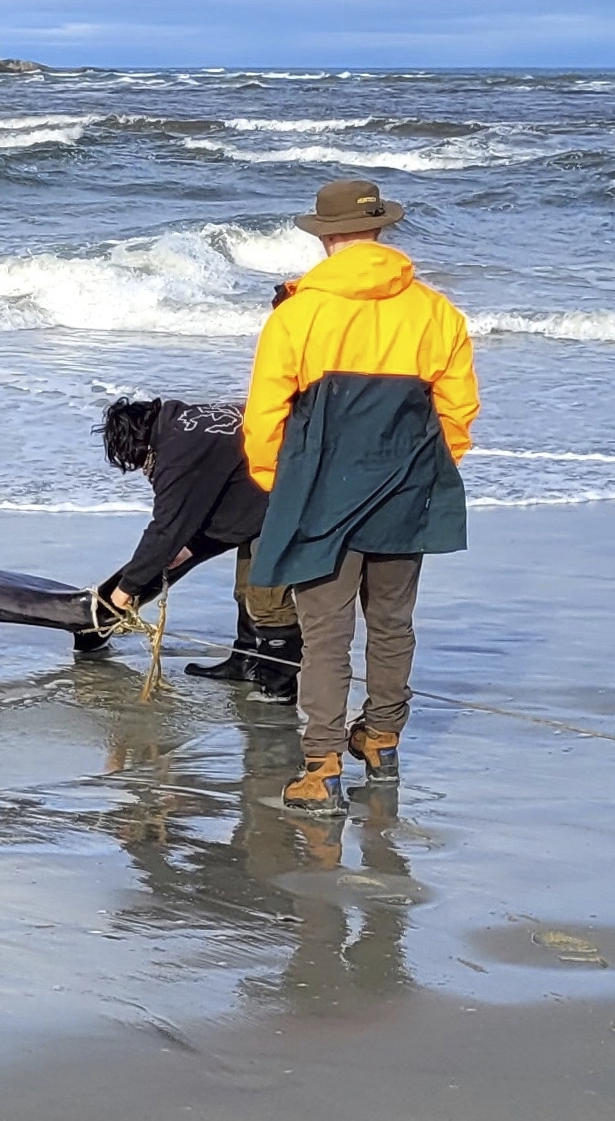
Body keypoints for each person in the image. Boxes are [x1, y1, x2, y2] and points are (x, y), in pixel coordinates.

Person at [244, 179, 480, 815]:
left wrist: (277, 482)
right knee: (393, 621)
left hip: (320, 489)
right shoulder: (436, 312)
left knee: (324, 632)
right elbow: (458, 413)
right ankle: (381, 739)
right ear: (380, 233)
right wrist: (423, 468)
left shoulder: (298, 313)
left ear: (326, 238)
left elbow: (264, 413)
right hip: (406, 484)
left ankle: (321, 767)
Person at [95, 396, 301, 703]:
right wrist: (191, 547)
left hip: (293, 495)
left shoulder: (179, 452)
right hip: (264, 492)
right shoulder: (184, 423)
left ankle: (279, 689)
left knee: (266, 598)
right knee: (246, 591)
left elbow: (166, 529)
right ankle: (246, 660)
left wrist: (122, 594)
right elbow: (220, 495)